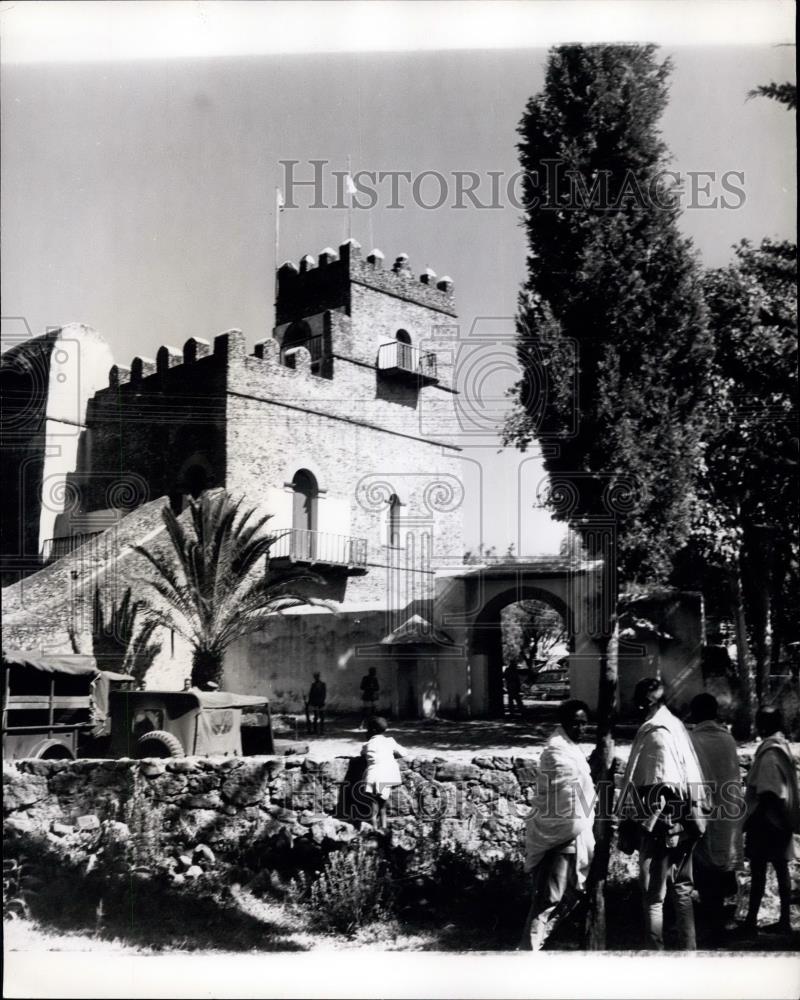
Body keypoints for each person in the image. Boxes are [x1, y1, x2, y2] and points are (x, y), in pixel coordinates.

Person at [617, 678, 707, 951]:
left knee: (653, 895)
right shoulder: (675, 726)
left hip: (664, 825)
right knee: (681, 888)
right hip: (686, 821)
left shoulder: (656, 732)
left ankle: (655, 952)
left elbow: (663, 786)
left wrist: (645, 825)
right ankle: (689, 953)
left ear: (645, 700)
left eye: (637, 698)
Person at [520, 699, 595, 951]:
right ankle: (529, 948)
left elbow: (579, 787)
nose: (581, 729)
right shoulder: (556, 750)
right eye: (576, 723)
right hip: (559, 831)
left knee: (570, 894)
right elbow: (564, 794)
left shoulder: (572, 749)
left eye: (584, 724)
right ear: (564, 723)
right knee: (548, 898)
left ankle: (537, 942)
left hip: (574, 831)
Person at [739, 706, 800, 936]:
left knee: (759, 870)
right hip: (780, 818)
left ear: (763, 725)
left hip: (767, 820)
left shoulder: (770, 752)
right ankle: (784, 920)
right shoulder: (781, 746)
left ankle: (752, 921)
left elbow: (769, 792)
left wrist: (750, 820)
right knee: (781, 868)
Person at [688, 693, 743, 944]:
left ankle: (711, 925)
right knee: (723, 868)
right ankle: (721, 922)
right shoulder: (728, 739)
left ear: (696, 714)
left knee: (704, 869)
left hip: (705, 812)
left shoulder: (691, 740)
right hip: (728, 813)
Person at [360, 716, 406, 831]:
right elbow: (404, 752)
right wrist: (393, 754)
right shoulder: (390, 741)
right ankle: (384, 828)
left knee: (373, 804)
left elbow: (362, 754)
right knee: (383, 805)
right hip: (387, 775)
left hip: (373, 775)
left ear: (372, 731)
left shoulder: (367, 744)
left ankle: (375, 828)